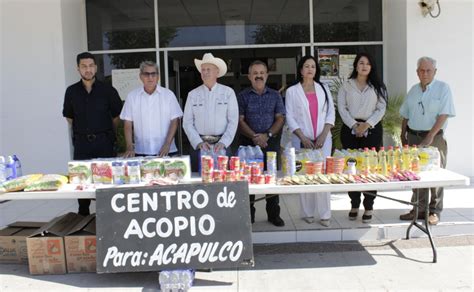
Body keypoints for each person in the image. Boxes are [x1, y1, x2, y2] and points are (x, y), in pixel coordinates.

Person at [62, 52, 123, 215]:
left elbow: (117, 116)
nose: (87, 69)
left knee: (106, 187)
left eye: (90, 66)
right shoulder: (71, 92)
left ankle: (108, 220)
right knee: (81, 187)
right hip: (82, 145)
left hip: (104, 143)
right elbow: (69, 117)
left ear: (95, 67)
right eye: (84, 66)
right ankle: (83, 220)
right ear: (78, 68)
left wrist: (102, 130)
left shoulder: (108, 90)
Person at [399, 56, 455, 225]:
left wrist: (430, 135)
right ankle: (418, 209)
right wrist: (403, 135)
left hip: (434, 138)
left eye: (428, 70)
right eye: (421, 70)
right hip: (414, 136)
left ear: (434, 72)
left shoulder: (443, 88)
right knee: (416, 174)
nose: (425, 73)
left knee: (435, 174)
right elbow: (405, 114)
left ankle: (435, 211)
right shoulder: (413, 90)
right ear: (417, 72)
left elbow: (444, 115)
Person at [285, 55, 335, 227]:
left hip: (323, 140)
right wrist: (302, 137)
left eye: (313, 66)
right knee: (305, 174)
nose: (310, 69)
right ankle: (307, 213)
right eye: (306, 66)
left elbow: (330, 113)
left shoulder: (324, 88)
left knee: (322, 175)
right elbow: (289, 116)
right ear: (300, 70)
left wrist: (324, 134)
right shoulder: (292, 91)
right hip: (302, 139)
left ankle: (325, 214)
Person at [337, 52, 387, 223]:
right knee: (351, 168)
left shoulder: (377, 86)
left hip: (372, 130)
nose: (364, 66)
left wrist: (367, 124)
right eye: (361, 63)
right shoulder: (347, 85)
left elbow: (381, 108)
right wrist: (353, 124)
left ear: (371, 67)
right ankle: (354, 204)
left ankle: (369, 205)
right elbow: (342, 108)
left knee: (370, 169)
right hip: (350, 130)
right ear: (356, 66)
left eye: (367, 63)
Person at [238, 60, 286, 227]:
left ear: (266, 75)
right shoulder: (242, 96)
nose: (258, 75)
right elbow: (239, 120)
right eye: (255, 73)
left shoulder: (275, 95)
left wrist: (267, 135)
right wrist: (255, 137)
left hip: (270, 143)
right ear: (250, 76)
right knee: (248, 181)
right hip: (248, 145)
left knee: (271, 179)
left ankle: (274, 215)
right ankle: (248, 216)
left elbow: (280, 118)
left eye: (262, 72)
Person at [183, 53, 239, 171]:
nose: (205, 72)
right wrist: (198, 142)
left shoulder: (228, 93)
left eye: (209, 69)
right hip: (199, 146)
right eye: (203, 70)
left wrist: (224, 142)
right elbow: (187, 122)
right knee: (197, 181)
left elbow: (233, 121)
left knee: (223, 179)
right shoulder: (192, 94)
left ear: (217, 72)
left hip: (222, 145)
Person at [120, 61, 183, 157]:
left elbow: (175, 121)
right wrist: (129, 146)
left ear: (158, 76)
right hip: (141, 151)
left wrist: (167, 144)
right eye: (146, 74)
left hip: (166, 150)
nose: (150, 77)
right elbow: (127, 123)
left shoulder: (168, 95)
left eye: (153, 74)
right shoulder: (132, 96)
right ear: (140, 76)